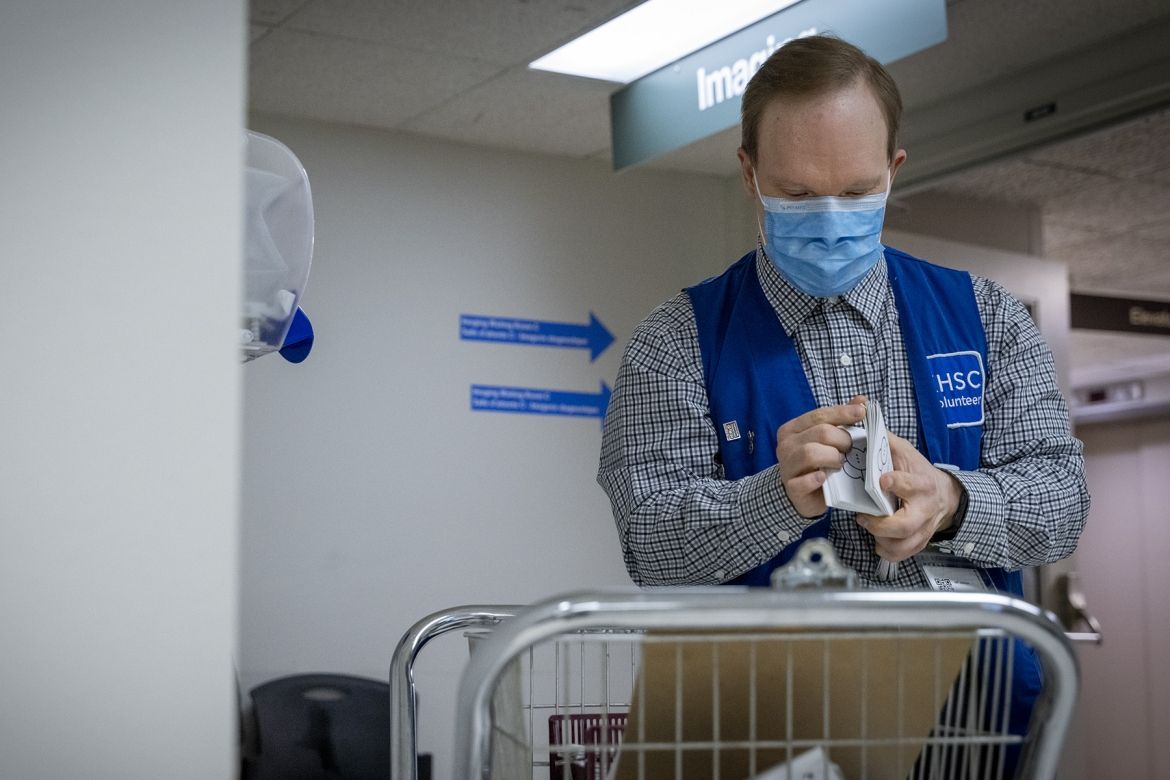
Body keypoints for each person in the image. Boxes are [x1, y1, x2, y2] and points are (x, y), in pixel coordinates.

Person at [597, 35, 1090, 774]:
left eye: (857, 192)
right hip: (763, 734)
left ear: (893, 171)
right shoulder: (677, 342)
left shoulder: (986, 318)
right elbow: (650, 543)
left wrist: (952, 503)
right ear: (750, 173)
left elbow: (1063, 497)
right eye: (796, 194)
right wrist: (771, 499)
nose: (829, 218)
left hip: (969, 729)